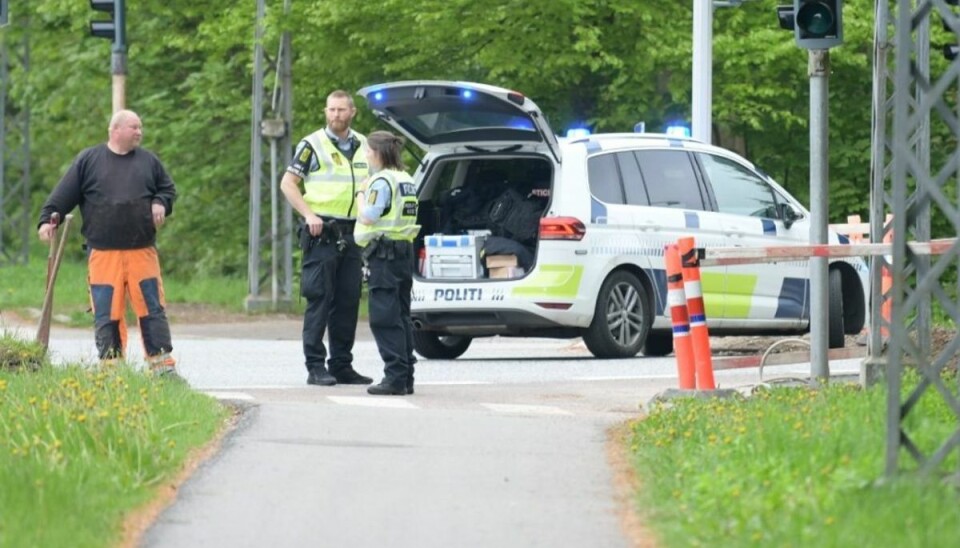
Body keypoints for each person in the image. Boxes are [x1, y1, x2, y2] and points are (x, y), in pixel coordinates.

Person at [36, 109, 180, 377]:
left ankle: (162, 367)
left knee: (151, 308)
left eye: (140, 127)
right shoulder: (89, 161)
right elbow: (62, 195)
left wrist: (161, 202)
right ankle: (112, 370)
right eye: (134, 127)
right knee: (107, 311)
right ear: (115, 130)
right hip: (103, 253)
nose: (140, 132)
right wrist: (47, 220)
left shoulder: (149, 161)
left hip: (142, 251)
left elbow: (167, 189)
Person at [280, 90, 373, 386]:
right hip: (322, 232)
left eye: (341, 110)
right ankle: (315, 366)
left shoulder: (363, 146)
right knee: (319, 299)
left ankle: (342, 364)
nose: (336, 115)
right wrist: (308, 214)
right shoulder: (312, 144)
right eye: (331, 110)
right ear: (325, 111)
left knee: (347, 300)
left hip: (353, 233)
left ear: (352, 112)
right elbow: (288, 183)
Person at [354, 131, 421, 396]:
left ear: (378, 152)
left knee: (384, 318)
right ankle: (406, 377)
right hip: (403, 251)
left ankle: (394, 377)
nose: (366, 155)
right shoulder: (405, 178)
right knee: (402, 316)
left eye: (368, 151)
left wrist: (361, 192)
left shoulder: (381, 181)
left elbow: (369, 216)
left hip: (384, 254)